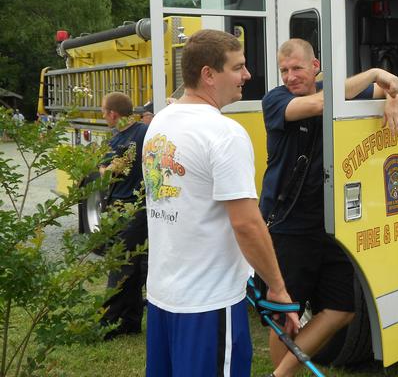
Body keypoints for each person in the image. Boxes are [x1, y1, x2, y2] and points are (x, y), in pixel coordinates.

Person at [142, 29, 299, 377]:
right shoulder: (224, 133)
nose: (247, 75)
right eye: (238, 67)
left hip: (162, 298)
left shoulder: (159, 124)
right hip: (208, 306)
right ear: (208, 75)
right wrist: (278, 288)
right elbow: (246, 224)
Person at [259, 38, 398, 377]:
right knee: (285, 313)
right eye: (284, 70)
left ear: (315, 67)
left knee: (342, 308)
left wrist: (395, 98)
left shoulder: (334, 88)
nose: (289, 76)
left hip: (331, 223)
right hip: (288, 224)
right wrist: (373, 74)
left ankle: (278, 375)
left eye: (296, 68)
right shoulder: (275, 100)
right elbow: (321, 103)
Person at [99, 91, 148, 339]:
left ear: (113, 113)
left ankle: (107, 324)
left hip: (134, 208)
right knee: (131, 267)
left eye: (103, 112)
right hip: (116, 207)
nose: (103, 116)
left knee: (120, 265)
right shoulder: (114, 137)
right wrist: (108, 169)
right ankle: (130, 321)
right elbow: (103, 169)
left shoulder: (142, 133)